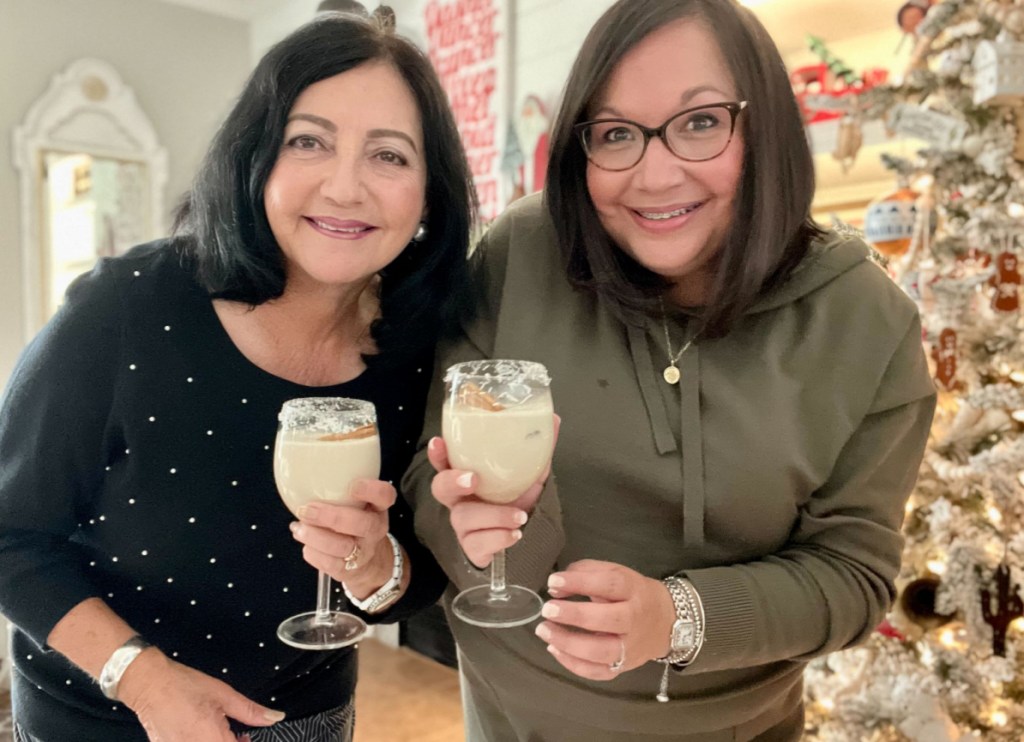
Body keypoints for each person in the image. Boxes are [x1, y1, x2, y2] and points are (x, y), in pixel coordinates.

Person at [403, 0, 937, 740]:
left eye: (700, 122)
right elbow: (426, 480)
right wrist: (478, 526)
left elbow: (854, 576)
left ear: (768, 126)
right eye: (616, 134)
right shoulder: (521, 254)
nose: (655, 176)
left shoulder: (865, 320)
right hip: (515, 722)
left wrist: (680, 618)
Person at [0, 9, 474, 742]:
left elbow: (421, 573)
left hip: (306, 718)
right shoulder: (130, 307)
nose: (347, 188)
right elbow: (9, 535)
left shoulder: (424, 346)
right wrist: (150, 684)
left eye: (390, 155)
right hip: (104, 717)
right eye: (308, 141)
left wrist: (376, 566)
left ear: (428, 193)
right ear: (255, 159)